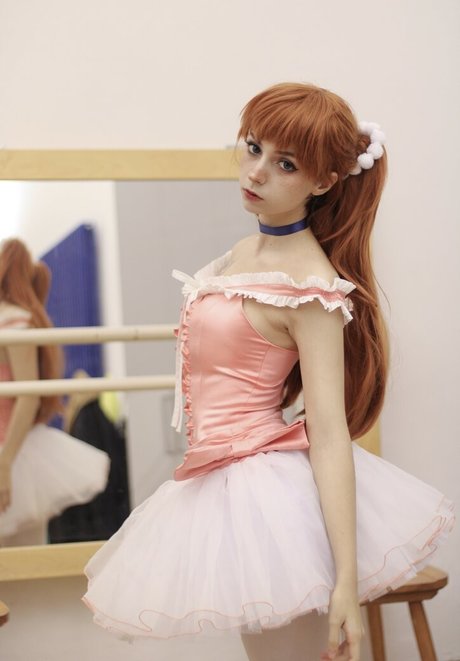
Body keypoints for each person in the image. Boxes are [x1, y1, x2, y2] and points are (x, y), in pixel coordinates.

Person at [83, 83, 454, 660]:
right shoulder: (243, 251)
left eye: (286, 164)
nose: (256, 172)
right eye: (254, 148)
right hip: (225, 483)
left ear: (323, 182)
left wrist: (346, 584)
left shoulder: (311, 288)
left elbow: (328, 433)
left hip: (269, 495)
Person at [0, 238, 110, 546]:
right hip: (16, 451)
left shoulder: (14, 321)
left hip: (13, 451)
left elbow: (28, 394)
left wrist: (6, 462)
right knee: (24, 559)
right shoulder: (17, 319)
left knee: (24, 560)